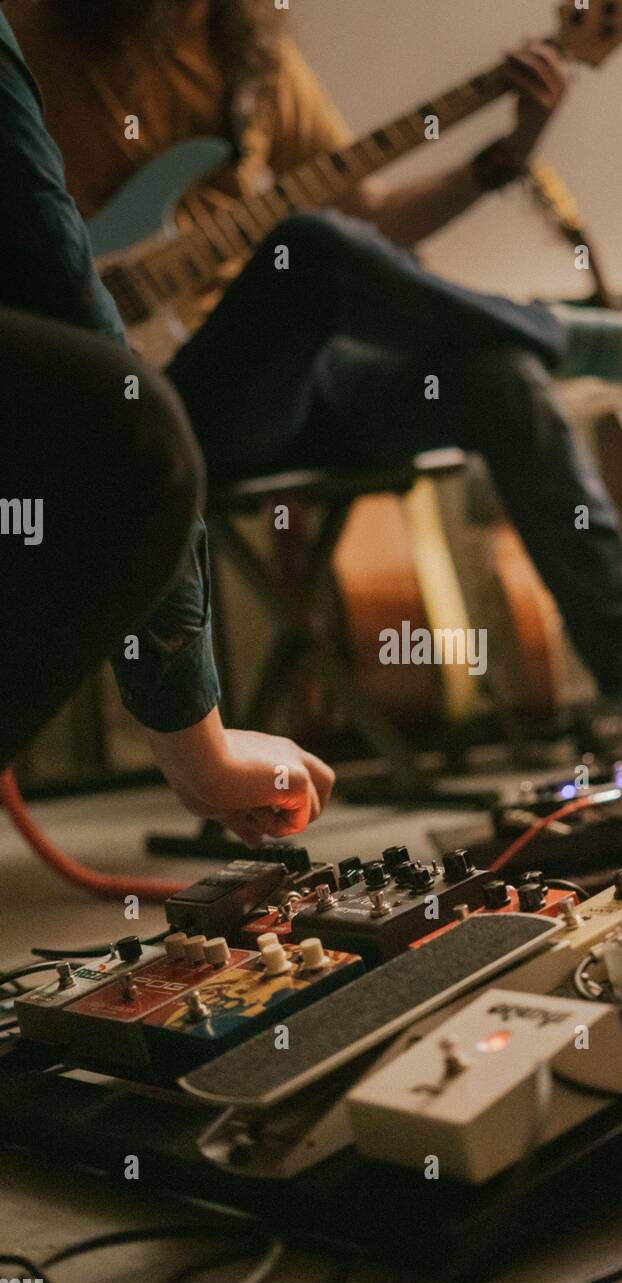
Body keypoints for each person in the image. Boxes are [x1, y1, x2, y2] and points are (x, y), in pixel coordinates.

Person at [6, 0, 622, 745]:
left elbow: (377, 218)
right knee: (311, 248)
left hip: (289, 379)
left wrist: (511, 151)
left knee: (493, 370)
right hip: (158, 409)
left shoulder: (247, 54)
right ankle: (558, 333)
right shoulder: (34, 36)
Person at [0, 6, 334, 845]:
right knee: (135, 437)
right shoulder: (46, 30)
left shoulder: (251, 56)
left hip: (240, 361)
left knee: (333, 251)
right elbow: (56, 274)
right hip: (188, 381)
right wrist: (199, 740)